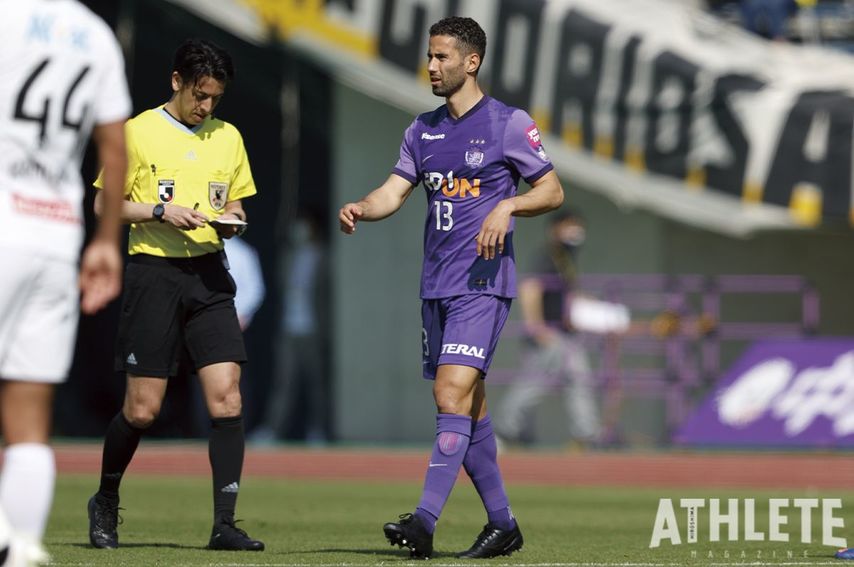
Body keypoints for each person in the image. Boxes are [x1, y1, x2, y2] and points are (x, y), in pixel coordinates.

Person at [338, 16, 563, 560]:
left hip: (482, 286)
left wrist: (508, 204)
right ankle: (503, 524)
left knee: (449, 394)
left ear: (471, 62)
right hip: (435, 288)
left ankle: (423, 521)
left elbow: (552, 190)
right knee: (471, 408)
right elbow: (394, 192)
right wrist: (361, 208)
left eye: (442, 57)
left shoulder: (508, 124)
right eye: (430, 56)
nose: (431, 66)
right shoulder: (422, 129)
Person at [86, 38, 264, 552]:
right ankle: (105, 500)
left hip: (209, 276)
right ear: (176, 82)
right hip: (154, 274)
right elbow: (104, 203)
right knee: (142, 410)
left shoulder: (228, 136)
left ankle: (224, 524)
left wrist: (233, 222)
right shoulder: (137, 132)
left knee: (227, 396)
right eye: (199, 95)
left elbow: (236, 205)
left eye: (214, 98)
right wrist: (161, 212)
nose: (206, 107)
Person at [0, 0, 130, 563]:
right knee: (29, 415)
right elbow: (114, 145)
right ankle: (23, 544)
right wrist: (104, 241)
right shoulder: (95, 35)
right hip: (55, 235)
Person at [495, 210, 602, 449]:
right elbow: (530, 289)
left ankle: (587, 435)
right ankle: (503, 431)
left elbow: (568, 294)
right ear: (555, 229)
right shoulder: (547, 256)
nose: (576, 232)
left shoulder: (567, 258)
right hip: (549, 335)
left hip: (567, 334)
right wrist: (536, 326)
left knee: (580, 381)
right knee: (533, 383)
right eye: (570, 227)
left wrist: (592, 307)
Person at [250, 212, 329, 444]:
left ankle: (318, 431)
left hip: (313, 330)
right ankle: (273, 430)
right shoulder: (290, 255)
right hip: (289, 329)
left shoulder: (324, 256)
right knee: (284, 383)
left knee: (317, 385)